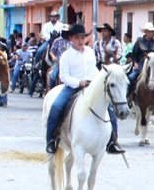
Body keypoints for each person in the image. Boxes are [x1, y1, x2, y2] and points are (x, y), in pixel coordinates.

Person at [44, 24, 122, 155]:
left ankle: (112, 141)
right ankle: (51, 140)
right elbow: (63, 76)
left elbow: (94, 69)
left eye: (82, 37)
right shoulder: (66, 56)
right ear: (70, 39)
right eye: (77, 38)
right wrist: (79, 82)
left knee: (109, 108)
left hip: (91, 86)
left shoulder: (90, 52)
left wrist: (98, 79)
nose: (80, 40)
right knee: (57, 106)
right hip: (72, 87)